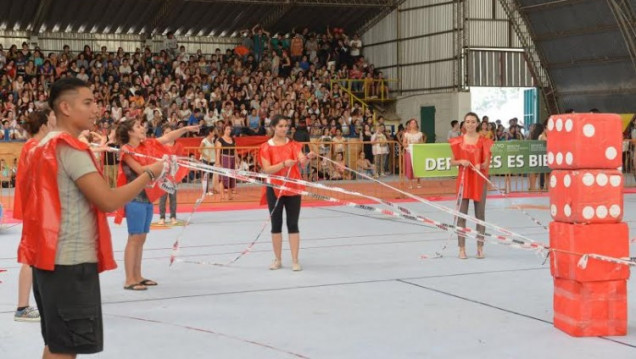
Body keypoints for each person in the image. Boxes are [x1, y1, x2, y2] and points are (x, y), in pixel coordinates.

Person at [18, 78, 165, 358]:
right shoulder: (70, 149)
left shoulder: (42, 145)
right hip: (70, 264)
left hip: (48, 259)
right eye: (87, 102)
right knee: (65, 349)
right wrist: (150, 174)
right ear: (65, 107)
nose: (95, 108)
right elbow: (107, 201)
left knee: (56, 345)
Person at [115, 119, 198, 291]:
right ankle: (129, 279)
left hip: (146, 198)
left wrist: (184, 129)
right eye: (138, 127)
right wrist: (164, 163)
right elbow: (139, 170)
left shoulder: (147, 145)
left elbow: (167, 138)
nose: (142, 128)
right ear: (130, 132)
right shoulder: (126, 150)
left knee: (141, 238)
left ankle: (138, 275)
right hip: (134, 197)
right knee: (134, 238)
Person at [12, 109, 56, 322]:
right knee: (30, 258)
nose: (56, 122)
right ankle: (22, 308)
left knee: (37, 257)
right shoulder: (33, 147)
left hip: (40, 210)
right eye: (52, 119)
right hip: (36, 212)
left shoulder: (36, 147)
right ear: (44, 125)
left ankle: (37, 303)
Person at [259, 115, 316, 271]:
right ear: (273, 128)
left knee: (293, 224)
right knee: (276, 224)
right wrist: (283, 164)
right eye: (281, 126)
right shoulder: (266, 147)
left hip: (293, 188)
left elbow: (302, 162)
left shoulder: (294, 145)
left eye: (286, 126)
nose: (284, 129)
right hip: (274, 189)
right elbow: (267, 169)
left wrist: (308, 157)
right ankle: (277, 259)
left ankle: (295, 260)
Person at [449, 112, 493, 260]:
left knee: (480, 215)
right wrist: (461, 161)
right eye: (467, 121)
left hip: (479, 181)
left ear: (478, 123)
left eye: (473, 122)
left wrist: (481, 164)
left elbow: (487, 162)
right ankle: (462, 248)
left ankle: (480, 248)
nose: (470, 124)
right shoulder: (457, 141)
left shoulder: (484, 141)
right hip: (463, 181)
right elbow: (452, 161)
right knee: (462, 215)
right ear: (464, 123)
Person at [216, 124, 238, 200]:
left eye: (230, 129)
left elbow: (235, 150)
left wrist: (237, 160)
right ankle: (222, 195)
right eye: (227, 129)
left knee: (231, 177)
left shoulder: (233, 139)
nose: (229, 131)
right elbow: (218, 151)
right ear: (224, 130)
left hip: (232, 159)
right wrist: (218, 162)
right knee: (223, 177)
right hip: (224, 159)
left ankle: (229, 195)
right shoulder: (220, 140)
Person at [402, 119, 425, 189]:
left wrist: (417, 143)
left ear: (416, 124)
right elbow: (404, 143)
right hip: (409, 152)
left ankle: (418, 182)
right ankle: (410, 183)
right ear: (409, 125)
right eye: (411, 123)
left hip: (417, 152)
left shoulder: (420, 134)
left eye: (414, 123)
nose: (413, 124)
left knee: (417, 167)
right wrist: (408, 144)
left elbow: (422, 143)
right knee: (409, 167)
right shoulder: (406, 134)